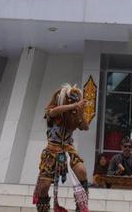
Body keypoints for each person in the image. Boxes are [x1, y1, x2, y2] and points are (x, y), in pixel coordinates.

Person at [33, 83, 90, 212]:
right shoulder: (53, 111)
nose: (74, 103)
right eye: (71, 100)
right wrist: (74, 105)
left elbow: (85, 127)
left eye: (76, 101)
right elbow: (53, 112)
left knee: (82, 171)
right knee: (43, 186)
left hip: (69, 149)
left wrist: (80, 113)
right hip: (52, 150)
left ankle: (80, 207)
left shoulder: (74, 115)